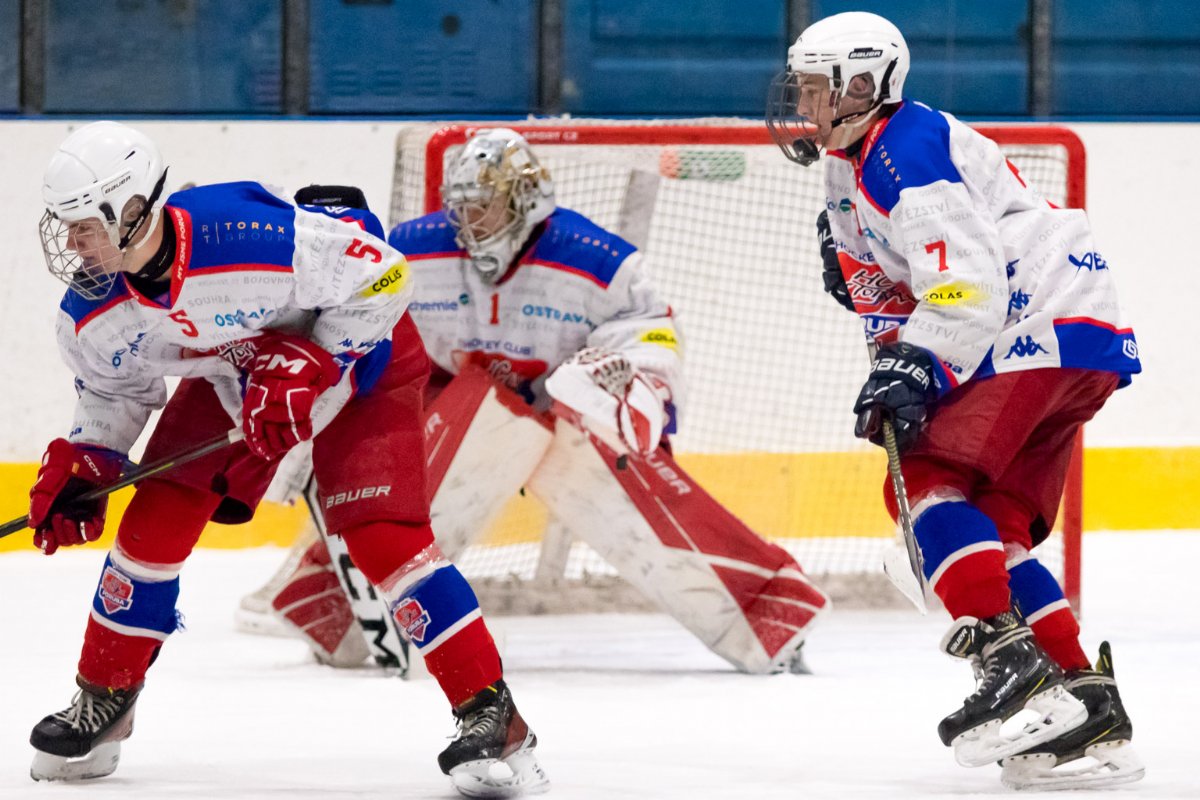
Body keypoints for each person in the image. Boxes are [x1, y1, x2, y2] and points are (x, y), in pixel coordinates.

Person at [25, 121, 547, 797]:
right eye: (64, 226)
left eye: (83, 225)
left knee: (384, 539)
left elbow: (386, 276)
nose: (71, 244)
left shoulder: (246, 236)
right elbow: (113, 389)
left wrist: (317, 357)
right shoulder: (94, 310)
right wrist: (92, 458)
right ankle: (105, 697)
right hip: (238, 377)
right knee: (154, 520)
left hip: (363, 367)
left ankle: (491, 714)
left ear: (131, 211)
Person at [251, 127, 829, 676]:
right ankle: (333, 612)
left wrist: (627, 385)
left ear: (526, 200)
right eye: (462, 207)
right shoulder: (411, 251)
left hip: (565, 422)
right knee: (427, 459)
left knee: (618, 471)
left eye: (485, 206)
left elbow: (652, 331)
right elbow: (347, 324)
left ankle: (770, 619)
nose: (469, 221)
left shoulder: (596, 258)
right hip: (457, 416)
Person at [767, 11, 1144, 791]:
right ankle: (1088, 707)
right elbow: (899, 287)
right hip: (1074, 334)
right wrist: (879, 313)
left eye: (813, 88)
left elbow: (967, 285)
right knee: (991, 527)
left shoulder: (904, 150)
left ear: (862, 85)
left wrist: (918, 365)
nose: (799, 103)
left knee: (924, 482)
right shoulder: (855, 159)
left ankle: (1014, 663)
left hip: (1030, 323)